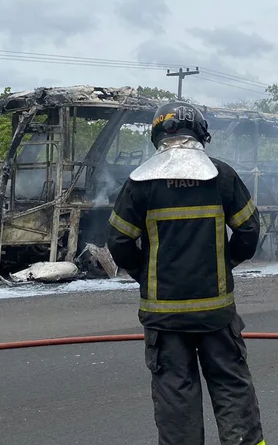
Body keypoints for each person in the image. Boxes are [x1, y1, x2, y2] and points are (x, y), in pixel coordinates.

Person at [106, 100, 265, 445]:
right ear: (201, 133)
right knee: (232, 390)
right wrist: (222, 265)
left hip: (164, 319)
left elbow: (118, 242)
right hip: (215, 315)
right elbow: (250, 233)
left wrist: (147, 274)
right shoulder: (221, 175)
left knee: (175, 402)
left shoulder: (139, 183)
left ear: (157, 134)